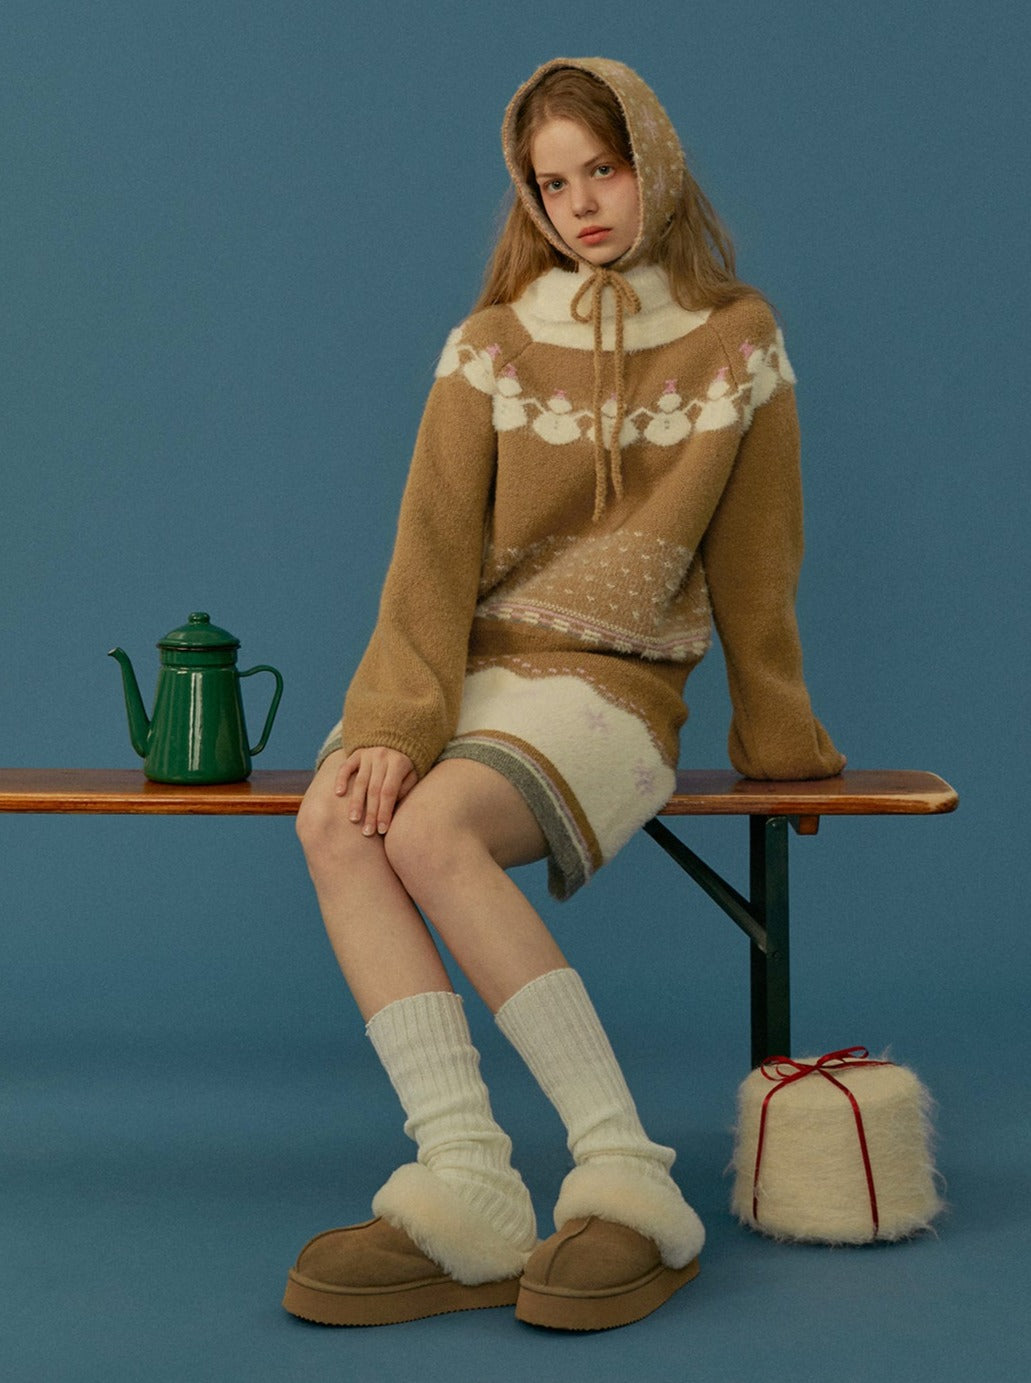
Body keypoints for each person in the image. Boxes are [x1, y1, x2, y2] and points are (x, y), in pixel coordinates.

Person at [282, 56, 844, 1332]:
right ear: (527, 199)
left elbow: (758, 562)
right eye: (552, 183)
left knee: (430, 830)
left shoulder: (735, 339)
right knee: (336, 818)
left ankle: (625, 1175)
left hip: (615, 690)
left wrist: (777, 735)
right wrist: (391, 721)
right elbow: (429, 553)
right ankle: (467, 1187)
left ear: (655, 165)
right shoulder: (491, 344)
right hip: (468, 674)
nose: (581, 203)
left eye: (604, 168)